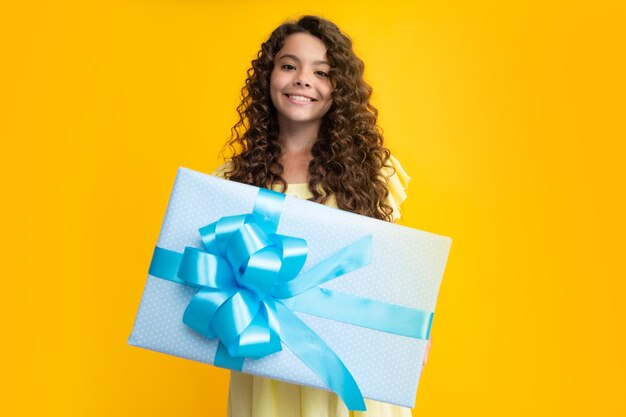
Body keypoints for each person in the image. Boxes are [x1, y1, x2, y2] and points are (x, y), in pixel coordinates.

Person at [213, 15, 425, 417]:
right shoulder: (231, 181)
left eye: (322, 72)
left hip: (349, 363)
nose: (303, 80)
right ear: (268, 76)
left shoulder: (373, 170)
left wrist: (416, 333)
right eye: (289, 65)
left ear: (338, 88)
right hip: (266, 367)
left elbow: (396, 269)